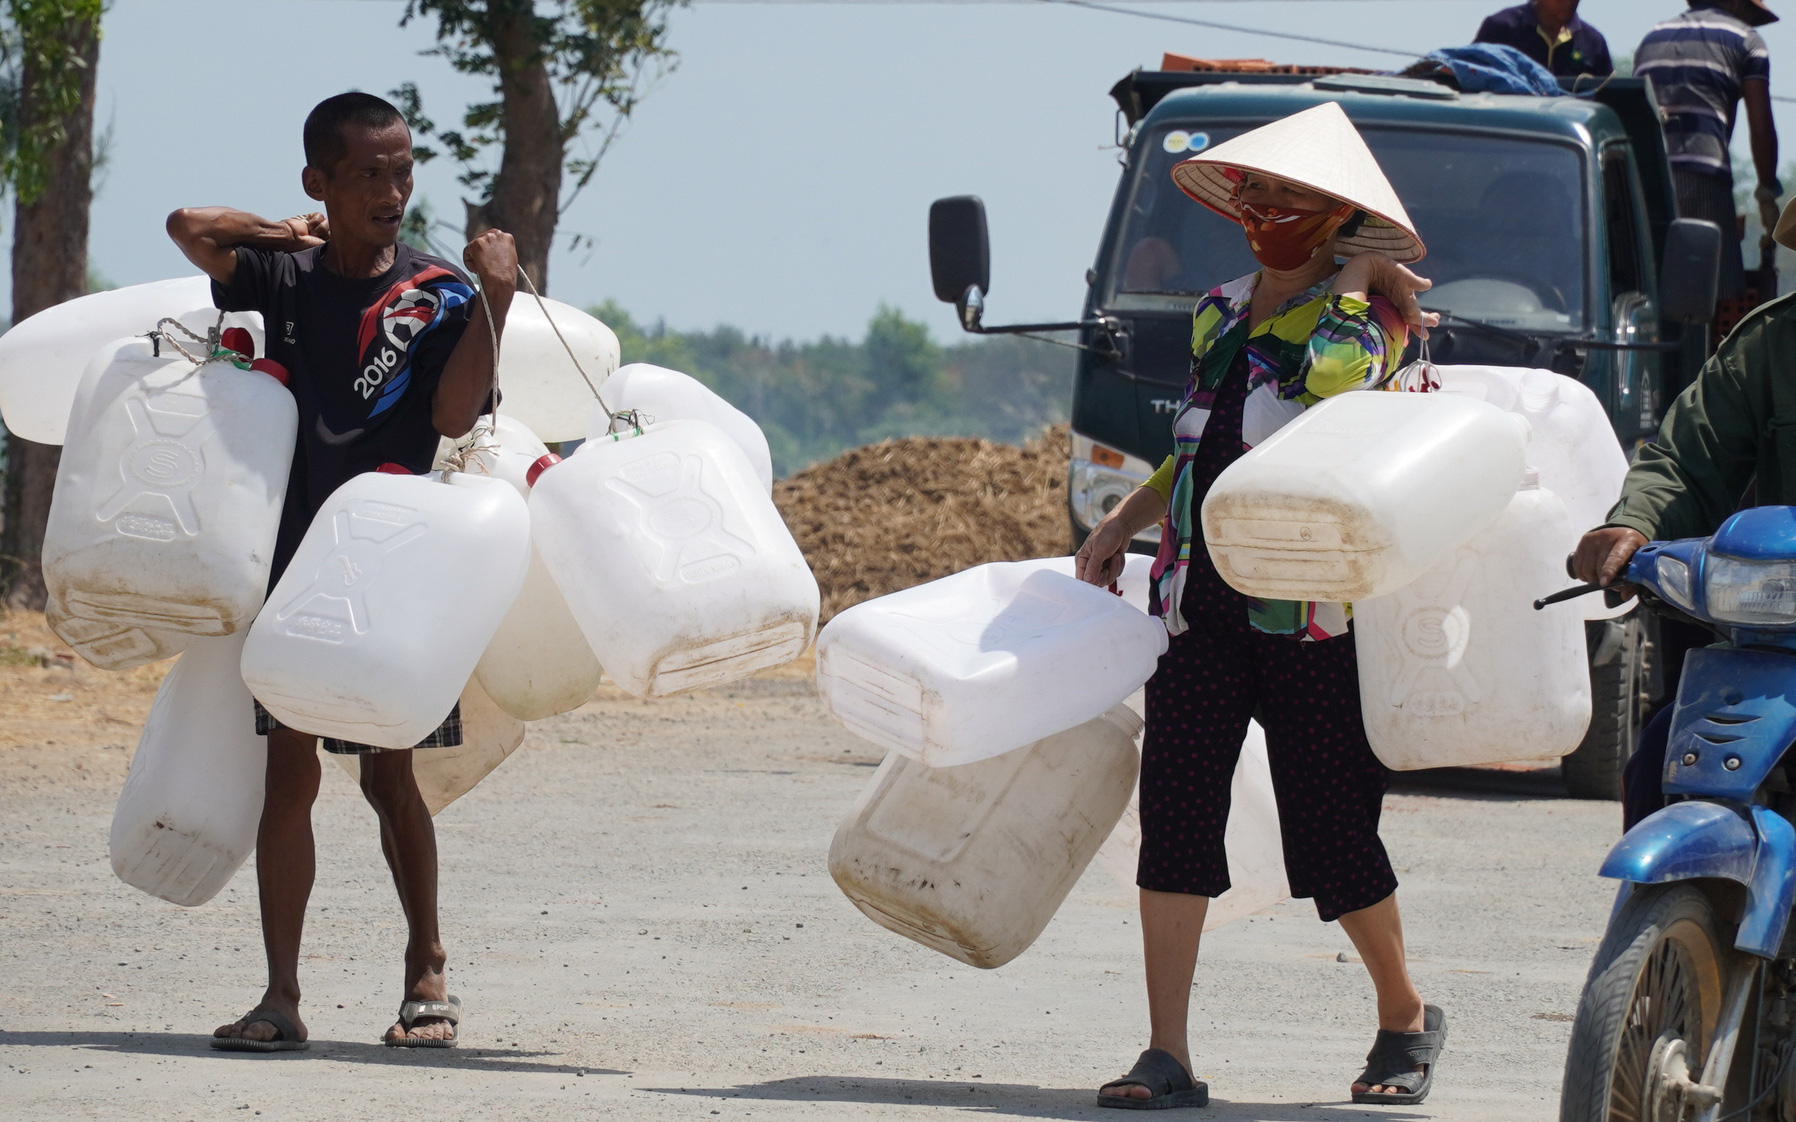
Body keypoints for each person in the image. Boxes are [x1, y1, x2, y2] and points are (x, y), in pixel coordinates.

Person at [1073, 102, 1446, 1109]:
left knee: (1330, 829)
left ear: (1334, 217)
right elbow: (1196, 439)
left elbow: (1328, 380)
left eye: (1293, 197)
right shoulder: (1218, 308)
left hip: (1308, 611)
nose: (1269, 210)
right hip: (1198, 606)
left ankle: (1403, 1017)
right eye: (1259, 194)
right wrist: (1119, 527)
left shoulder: (1372, 322)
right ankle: (1165, 1053)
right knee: (1175, 818)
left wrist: (1362, 281)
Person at [165, 91, 517, 1051]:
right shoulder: (283, 275)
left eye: (404, 170)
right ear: (320, 181)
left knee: (389, 779)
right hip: (293, 564)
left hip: (393, 567)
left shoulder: (441, 293)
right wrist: (283, 230)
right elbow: (188, 227)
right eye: (368, 173)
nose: (393, 191)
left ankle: (427, 971)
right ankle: (281, 998)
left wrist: (496, 297)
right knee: (291, 780)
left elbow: (450, 417)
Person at [1575, 194, 1796, 830]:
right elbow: (1686, 457)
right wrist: (1633, 524)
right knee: (1664, 757)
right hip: (1778, 644)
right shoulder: (1772, 342)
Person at [1636, 0, 1781, 302]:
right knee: (1713, 292)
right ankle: (1703, 350)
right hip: (1705, 177)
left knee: (1650, 288)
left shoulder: (1652, 37)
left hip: (1649, 179)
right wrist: (1766, 190)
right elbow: (1761, 128)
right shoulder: (1747, 41)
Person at [1474, 1, 1613, 79]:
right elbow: (1468, 79)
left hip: (1567, 130)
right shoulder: (1500, 29)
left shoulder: (1594, 43)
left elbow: (1608, 105)